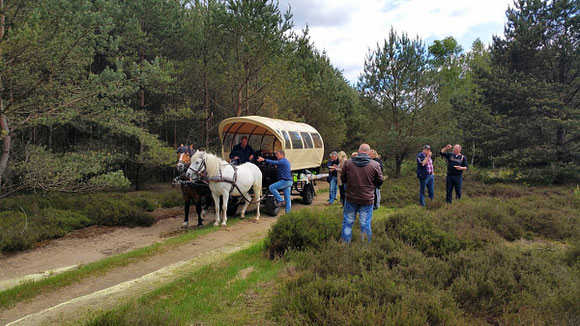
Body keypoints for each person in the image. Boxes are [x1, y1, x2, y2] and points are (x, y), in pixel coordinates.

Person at [340, 144, 384, 243]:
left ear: (358, 151)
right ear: (368, 152)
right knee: (365, 224)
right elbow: (380, 181)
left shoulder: (348, 163)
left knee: (347, 222)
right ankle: (365, 249)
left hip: (351, 198)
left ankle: (345, 245)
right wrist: (372, 186)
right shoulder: (375, 165)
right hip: (367, 199)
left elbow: (343, 179)